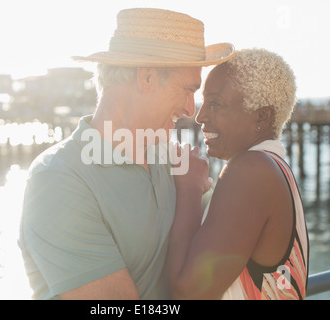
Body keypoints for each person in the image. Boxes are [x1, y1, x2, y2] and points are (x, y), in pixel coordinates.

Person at [18, 8, 234, 300]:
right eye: (187, 89)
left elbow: (213, 257)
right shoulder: (57, 179)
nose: (189, 110)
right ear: (146, 78)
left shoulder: (173, 161)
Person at [167, 48, 309, 300]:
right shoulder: (274, 166)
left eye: (215, 103)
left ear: (262, 116)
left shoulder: (251, 170)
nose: (200, 116)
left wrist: (189, 187)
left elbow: (188, 293)